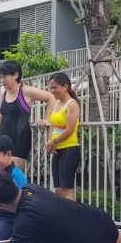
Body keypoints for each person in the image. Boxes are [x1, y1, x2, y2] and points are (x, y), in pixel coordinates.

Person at [0, 60, 53, 171]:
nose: (2, 80)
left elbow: (50, 97)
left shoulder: (26, 91)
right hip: (2, 139)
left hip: (19, 140)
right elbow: (2, 113)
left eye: (5, 77)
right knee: (0, 176)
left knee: (13, 175)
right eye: (1, 77)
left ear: (15, 75)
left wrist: (46, 119)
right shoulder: (3, 93)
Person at [45, 72, 81, 200]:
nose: (52, 91)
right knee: (59, 189)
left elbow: (69, 130)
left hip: (69, 149)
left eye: (55, 87)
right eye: (51, 88)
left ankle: (70, 213)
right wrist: (49, 142)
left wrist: (52, 142)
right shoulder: (55, 103)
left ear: (65, 86)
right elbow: (52, 125)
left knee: (67, 190)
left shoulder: (72, 104)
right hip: (56, 149)